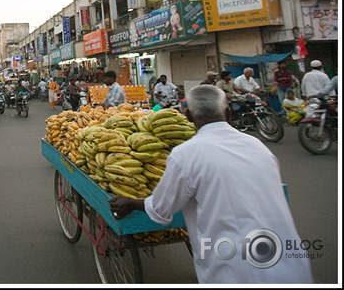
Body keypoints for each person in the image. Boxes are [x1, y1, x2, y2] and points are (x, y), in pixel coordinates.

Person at [109, 85, 313, 284]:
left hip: (234, 271)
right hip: (292, 267)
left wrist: (130, 202)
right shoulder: (258, 146)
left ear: (188, 116)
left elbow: (161, 208)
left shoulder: (186, 154)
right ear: (229, 114)